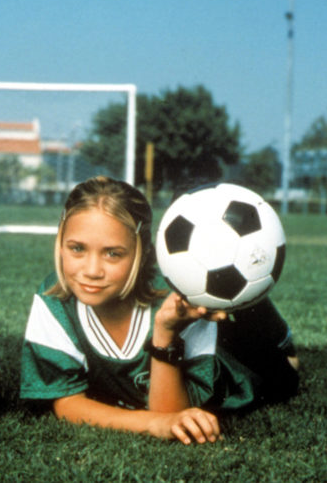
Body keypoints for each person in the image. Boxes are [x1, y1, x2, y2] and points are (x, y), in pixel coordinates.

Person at [20, 176, 298, 444]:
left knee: (283, 370)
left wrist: (165, 330)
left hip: (239, 367)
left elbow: (172, 414)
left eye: (113, 253)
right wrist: (151, 423)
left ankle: (273, 331)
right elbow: (67, 403)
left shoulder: (181, 296)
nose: (91, 271)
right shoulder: (52, 298)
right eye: (77, 249)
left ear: (142, 252)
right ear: (60, 241)